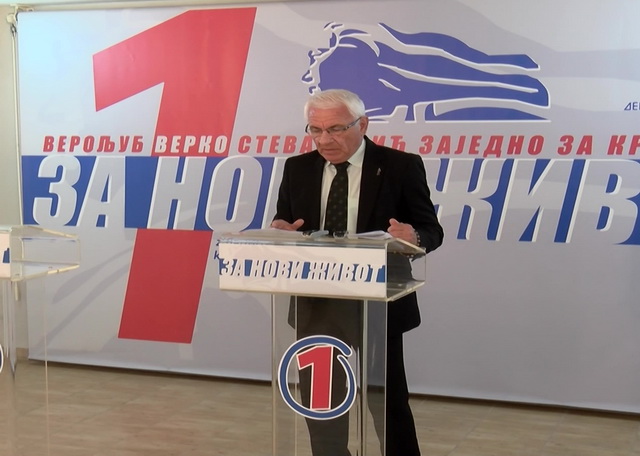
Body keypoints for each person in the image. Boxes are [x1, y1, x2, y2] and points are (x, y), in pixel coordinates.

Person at [271, 89, 443, 456]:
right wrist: (281, 231)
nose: (324, 140)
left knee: (387, 401)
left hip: (378, 302)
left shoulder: (400, 166)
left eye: (335, 129)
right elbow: (286, 221)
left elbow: (431, 231)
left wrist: (413, 236)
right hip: (316, 303)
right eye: (315, 130)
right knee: (321, 403)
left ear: (362, 125)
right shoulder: (297, 168)